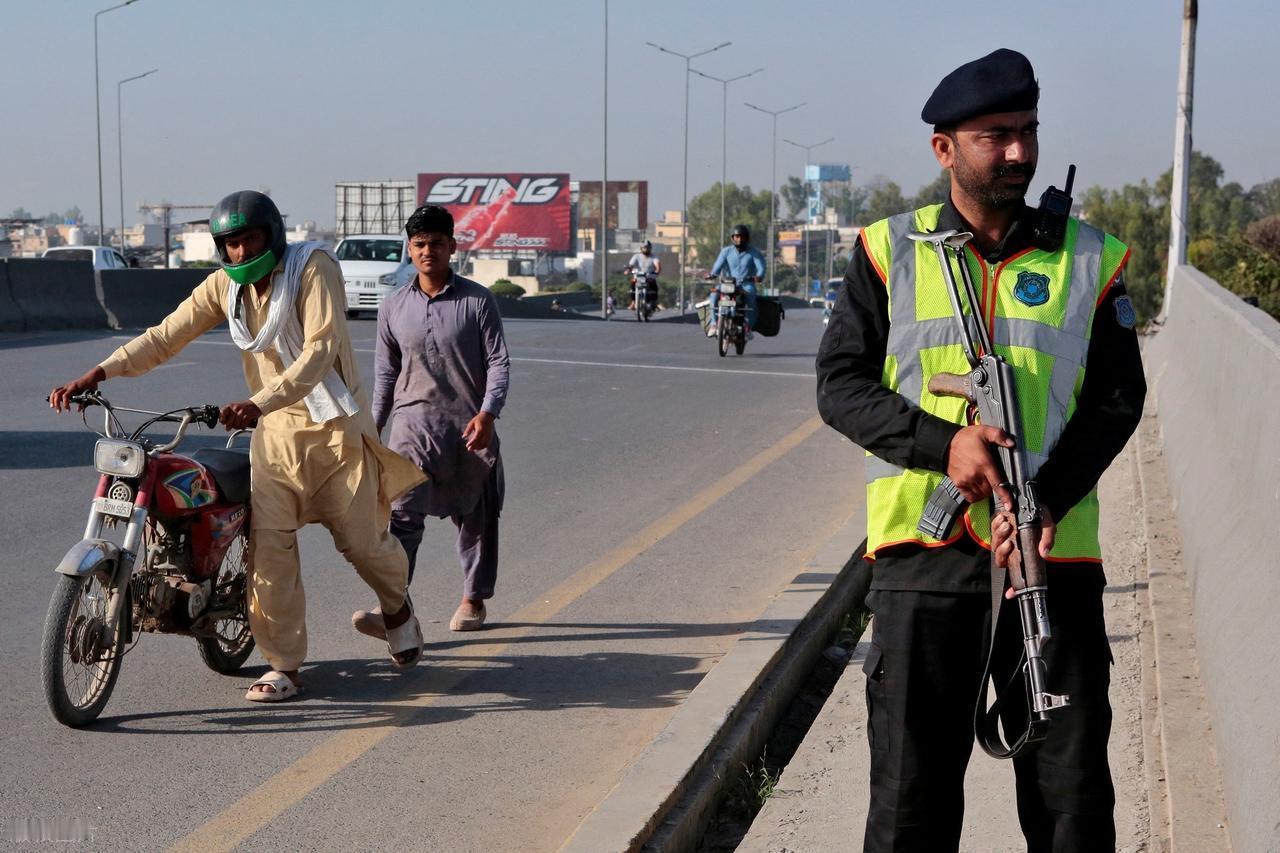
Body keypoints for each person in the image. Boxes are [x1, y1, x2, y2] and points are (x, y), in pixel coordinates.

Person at [815, 49, 1145, 851]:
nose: (1020, 152)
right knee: (909, 806)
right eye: (997, 135)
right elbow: (840, 384)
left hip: (1049, 560)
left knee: (1071, 808)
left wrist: (1051, 499)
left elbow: (1116, 398)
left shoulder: (1089, 257)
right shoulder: (888, 250)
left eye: (1028, 131)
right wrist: (943, 446)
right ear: (945, 149)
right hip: (922, 561)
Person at [49, 190, 428, 703]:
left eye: (250, 239)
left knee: (362, 545)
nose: (242, 253)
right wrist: (98, 372)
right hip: (275, 438)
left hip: (336, 431)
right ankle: (285, 665)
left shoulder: (314, 268)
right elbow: (165, 336)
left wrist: (259, 401)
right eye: (231, 244)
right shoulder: (224, 288)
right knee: (270, 553)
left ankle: (398, 609)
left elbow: (320, 350)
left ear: (272, 235)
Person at [352, 204, 511, 639]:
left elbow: (498, 362)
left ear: (452, 247)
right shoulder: (393, 306)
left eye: (436, 244)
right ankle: (394, 607)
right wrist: (373, 426)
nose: (428, 252)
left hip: (467, 426)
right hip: (412, 425)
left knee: (477, 516)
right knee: (402, 517)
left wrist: (489, 412)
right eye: (419, 245)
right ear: (409, 249)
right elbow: (385, 373)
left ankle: (473, 598)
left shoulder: (478, 301)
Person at [706, 224, 765, 337]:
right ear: (732, 238)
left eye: (742, 237)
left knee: (751, 298)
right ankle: (714, 324)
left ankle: (747, 327)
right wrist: (713, 274)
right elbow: (718, 266)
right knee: (713, 296)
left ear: (747, 238)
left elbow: (761, 268)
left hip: (746, 285)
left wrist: (758, 276)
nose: (739, 239)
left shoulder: (754, 252)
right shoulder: (726, 251)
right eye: (737, 236)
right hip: (728, 284)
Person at [624, 240, 662, 312]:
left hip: (649, 276)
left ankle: (654, 303)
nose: (646, 249)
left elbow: (658, 266)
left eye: (648, 248)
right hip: (638, 276)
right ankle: (633, 303)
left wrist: (656, 272)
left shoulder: (654, 257)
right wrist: (628, 270)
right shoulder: (636, 256)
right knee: (633, 284)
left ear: (650, 248)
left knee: (654, 286)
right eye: (644, 248)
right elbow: (631, 265)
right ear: (641, 248)